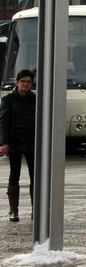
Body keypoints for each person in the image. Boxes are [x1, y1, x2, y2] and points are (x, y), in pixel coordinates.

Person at [0, 69, 36, 222]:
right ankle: (14, 210)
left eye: (28, 82)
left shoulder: (35, 99)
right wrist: (4, 142)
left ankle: (37, 209)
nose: (25, 85)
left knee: (35, 177)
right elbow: (3, 122)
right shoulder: (8, 100)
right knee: (14, 175)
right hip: (14, 142)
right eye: (23, 82)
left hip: (32, 142)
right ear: (17, 83)